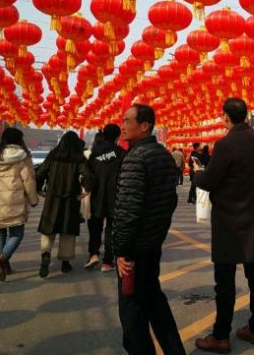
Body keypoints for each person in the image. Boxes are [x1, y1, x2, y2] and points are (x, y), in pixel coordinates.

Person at [193, 98, 254, 352]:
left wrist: (198, 173)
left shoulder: (225, 143)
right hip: (253, 218)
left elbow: (210, 180)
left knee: (224, 281)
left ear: (226, 117)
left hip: (229, 220)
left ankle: (221, 335)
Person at [113, 104, 185, 355]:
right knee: (154, 301)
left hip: (135, 249)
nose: (122, 125)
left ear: (144, 126)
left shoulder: (136, 157)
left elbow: (128, 210)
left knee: (132, 311)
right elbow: (170, 201)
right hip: (153, 243)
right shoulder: (163, 155)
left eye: (127, 120)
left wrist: (121, 251)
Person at [0, 127, 39, 281]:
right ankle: (2, 261)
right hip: (14, 202)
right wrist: (33, 200)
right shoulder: (23, 157)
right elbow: (29, 181)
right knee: (17, 233)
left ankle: (4, 266)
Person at [36, 131, 93, 278]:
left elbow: (40, 172)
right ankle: (65, 263)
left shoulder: (53, 155)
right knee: (67, 231)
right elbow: (87, 174)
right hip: (70, 199)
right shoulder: (78, 158)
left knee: (49, 229)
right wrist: (86, 189)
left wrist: (39, 188)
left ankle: (46, 254)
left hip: (52, 198)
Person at [85, 124, 126, 273]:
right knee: (111, 229)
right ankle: (107, 262)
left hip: (97, 196)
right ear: (118, 136)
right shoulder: (122, 153)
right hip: (115, 197)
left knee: (95, 227)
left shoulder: (95, 153)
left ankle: (93, 254)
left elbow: (88, 175)